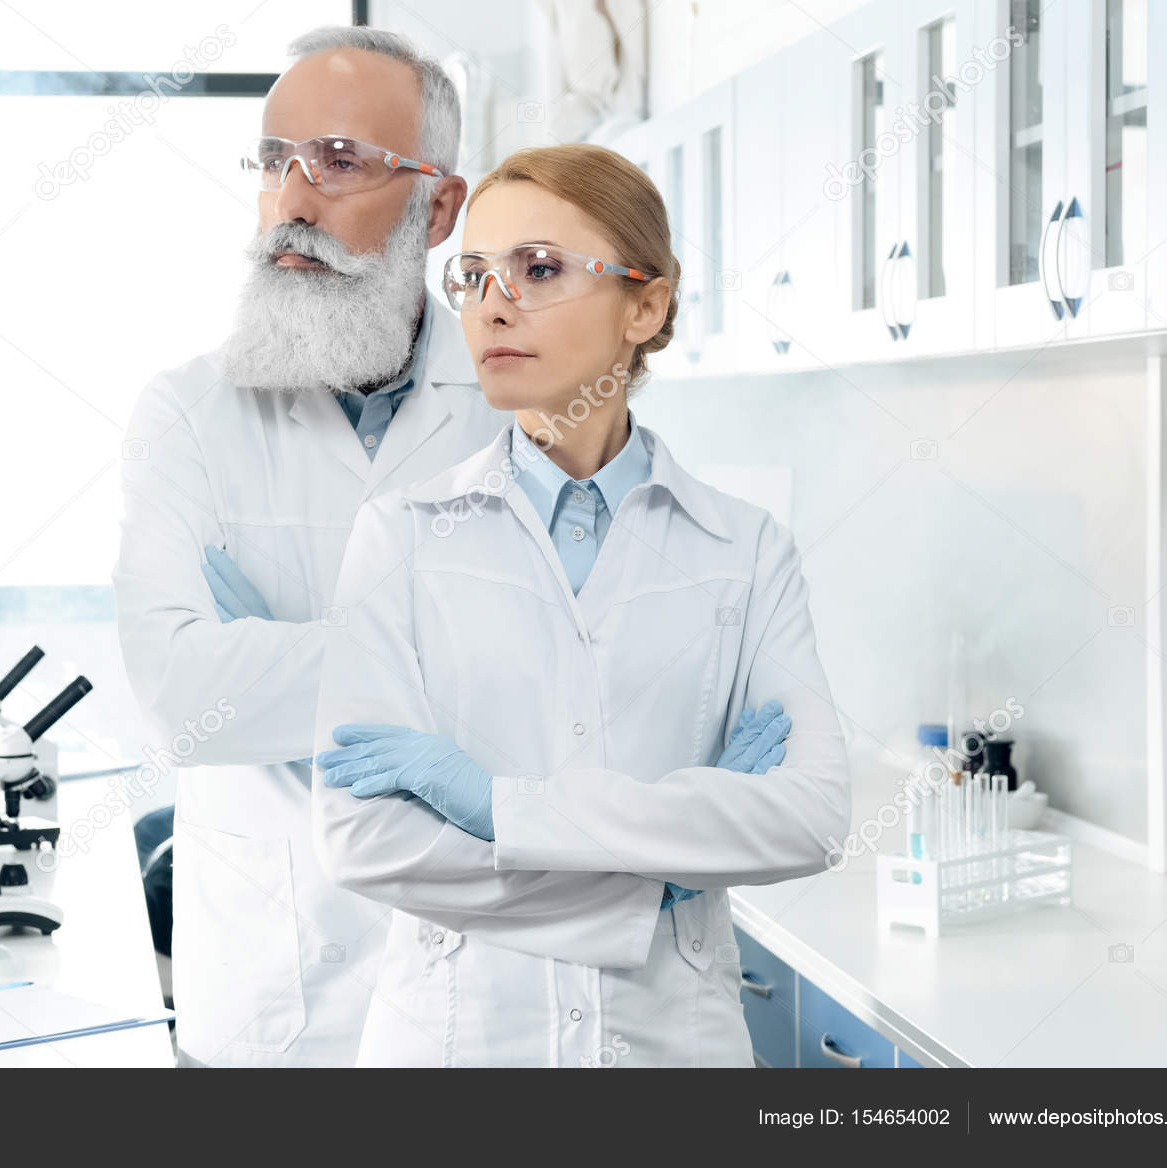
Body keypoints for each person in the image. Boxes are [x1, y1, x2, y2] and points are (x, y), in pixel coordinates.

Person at [310, 144, 848, 1067]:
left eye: (541, 268)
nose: (492, 301)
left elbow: (809, 816)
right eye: (472, 272)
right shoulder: (398, 537)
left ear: (646, 305)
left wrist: (498, 809)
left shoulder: (747, 551)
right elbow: (365, 842)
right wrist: (658, 876)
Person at [114, 27, 506, 1067]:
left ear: (438, 207)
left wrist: (274, 654)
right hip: (266, 1013)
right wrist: (456, 648)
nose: (290, 202)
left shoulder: (528, 415)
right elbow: (178, 700)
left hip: (482, 1004)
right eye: (272, 160)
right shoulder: (188, 416)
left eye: (337, 161)